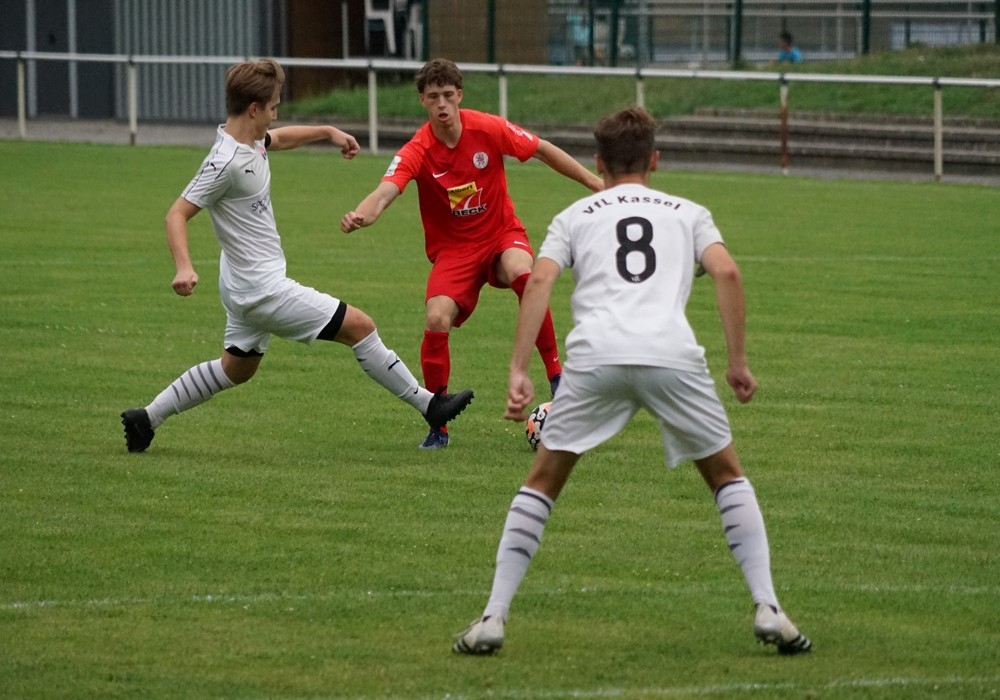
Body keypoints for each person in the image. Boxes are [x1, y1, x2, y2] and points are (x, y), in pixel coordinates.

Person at [452, 107, 811, 657]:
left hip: (597, 356)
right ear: (655, 160)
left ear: (599, 162)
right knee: (726, 476)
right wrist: (737, 362)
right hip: (671, 355)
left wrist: (519, 370)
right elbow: (727, 272)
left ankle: (493, 617)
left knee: (542, 482)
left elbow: (540, 280)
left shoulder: (575, 215)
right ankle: (769, 607)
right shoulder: (688, 213)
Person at [120, 58, 473, 453]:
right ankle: (430, 406)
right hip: (261, 289)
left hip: (242, 283)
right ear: (254, 109)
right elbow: (176, 214)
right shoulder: (224, 162)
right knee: (360, 326)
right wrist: (183, 268)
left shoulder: (251, 139)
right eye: (273, 107)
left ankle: (145, 418)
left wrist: (327, 132)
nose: (276, 114)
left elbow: (279, 139)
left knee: (235, 369)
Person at [341, 58, 603, 450]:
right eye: (433, 97)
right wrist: (363, 215)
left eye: (448, 95)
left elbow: (543, 150)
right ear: (423, 100)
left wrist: (595, 182)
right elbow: (384, 192)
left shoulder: (488, 128)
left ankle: (556, 376)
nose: (442, 104)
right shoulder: (418, 149)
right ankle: (438, 424)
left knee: (524, 274)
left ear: (459, 95)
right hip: (454, 252)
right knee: (436, 318)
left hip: (500, 234)